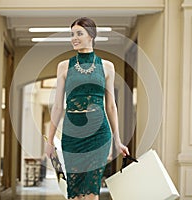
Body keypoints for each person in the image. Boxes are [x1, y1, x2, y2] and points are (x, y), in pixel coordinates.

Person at [46, 17, 130, 200]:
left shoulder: (107, 67)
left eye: (79, 33)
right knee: (75, 194)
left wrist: (118, 141)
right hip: (72, 135)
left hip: (99, 136)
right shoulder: (63, 66)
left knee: (91, 193)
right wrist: (50, 140)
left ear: (91, 35)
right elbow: (58, 106)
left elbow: (111, 106)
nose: (74, 38)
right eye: (72, 34)